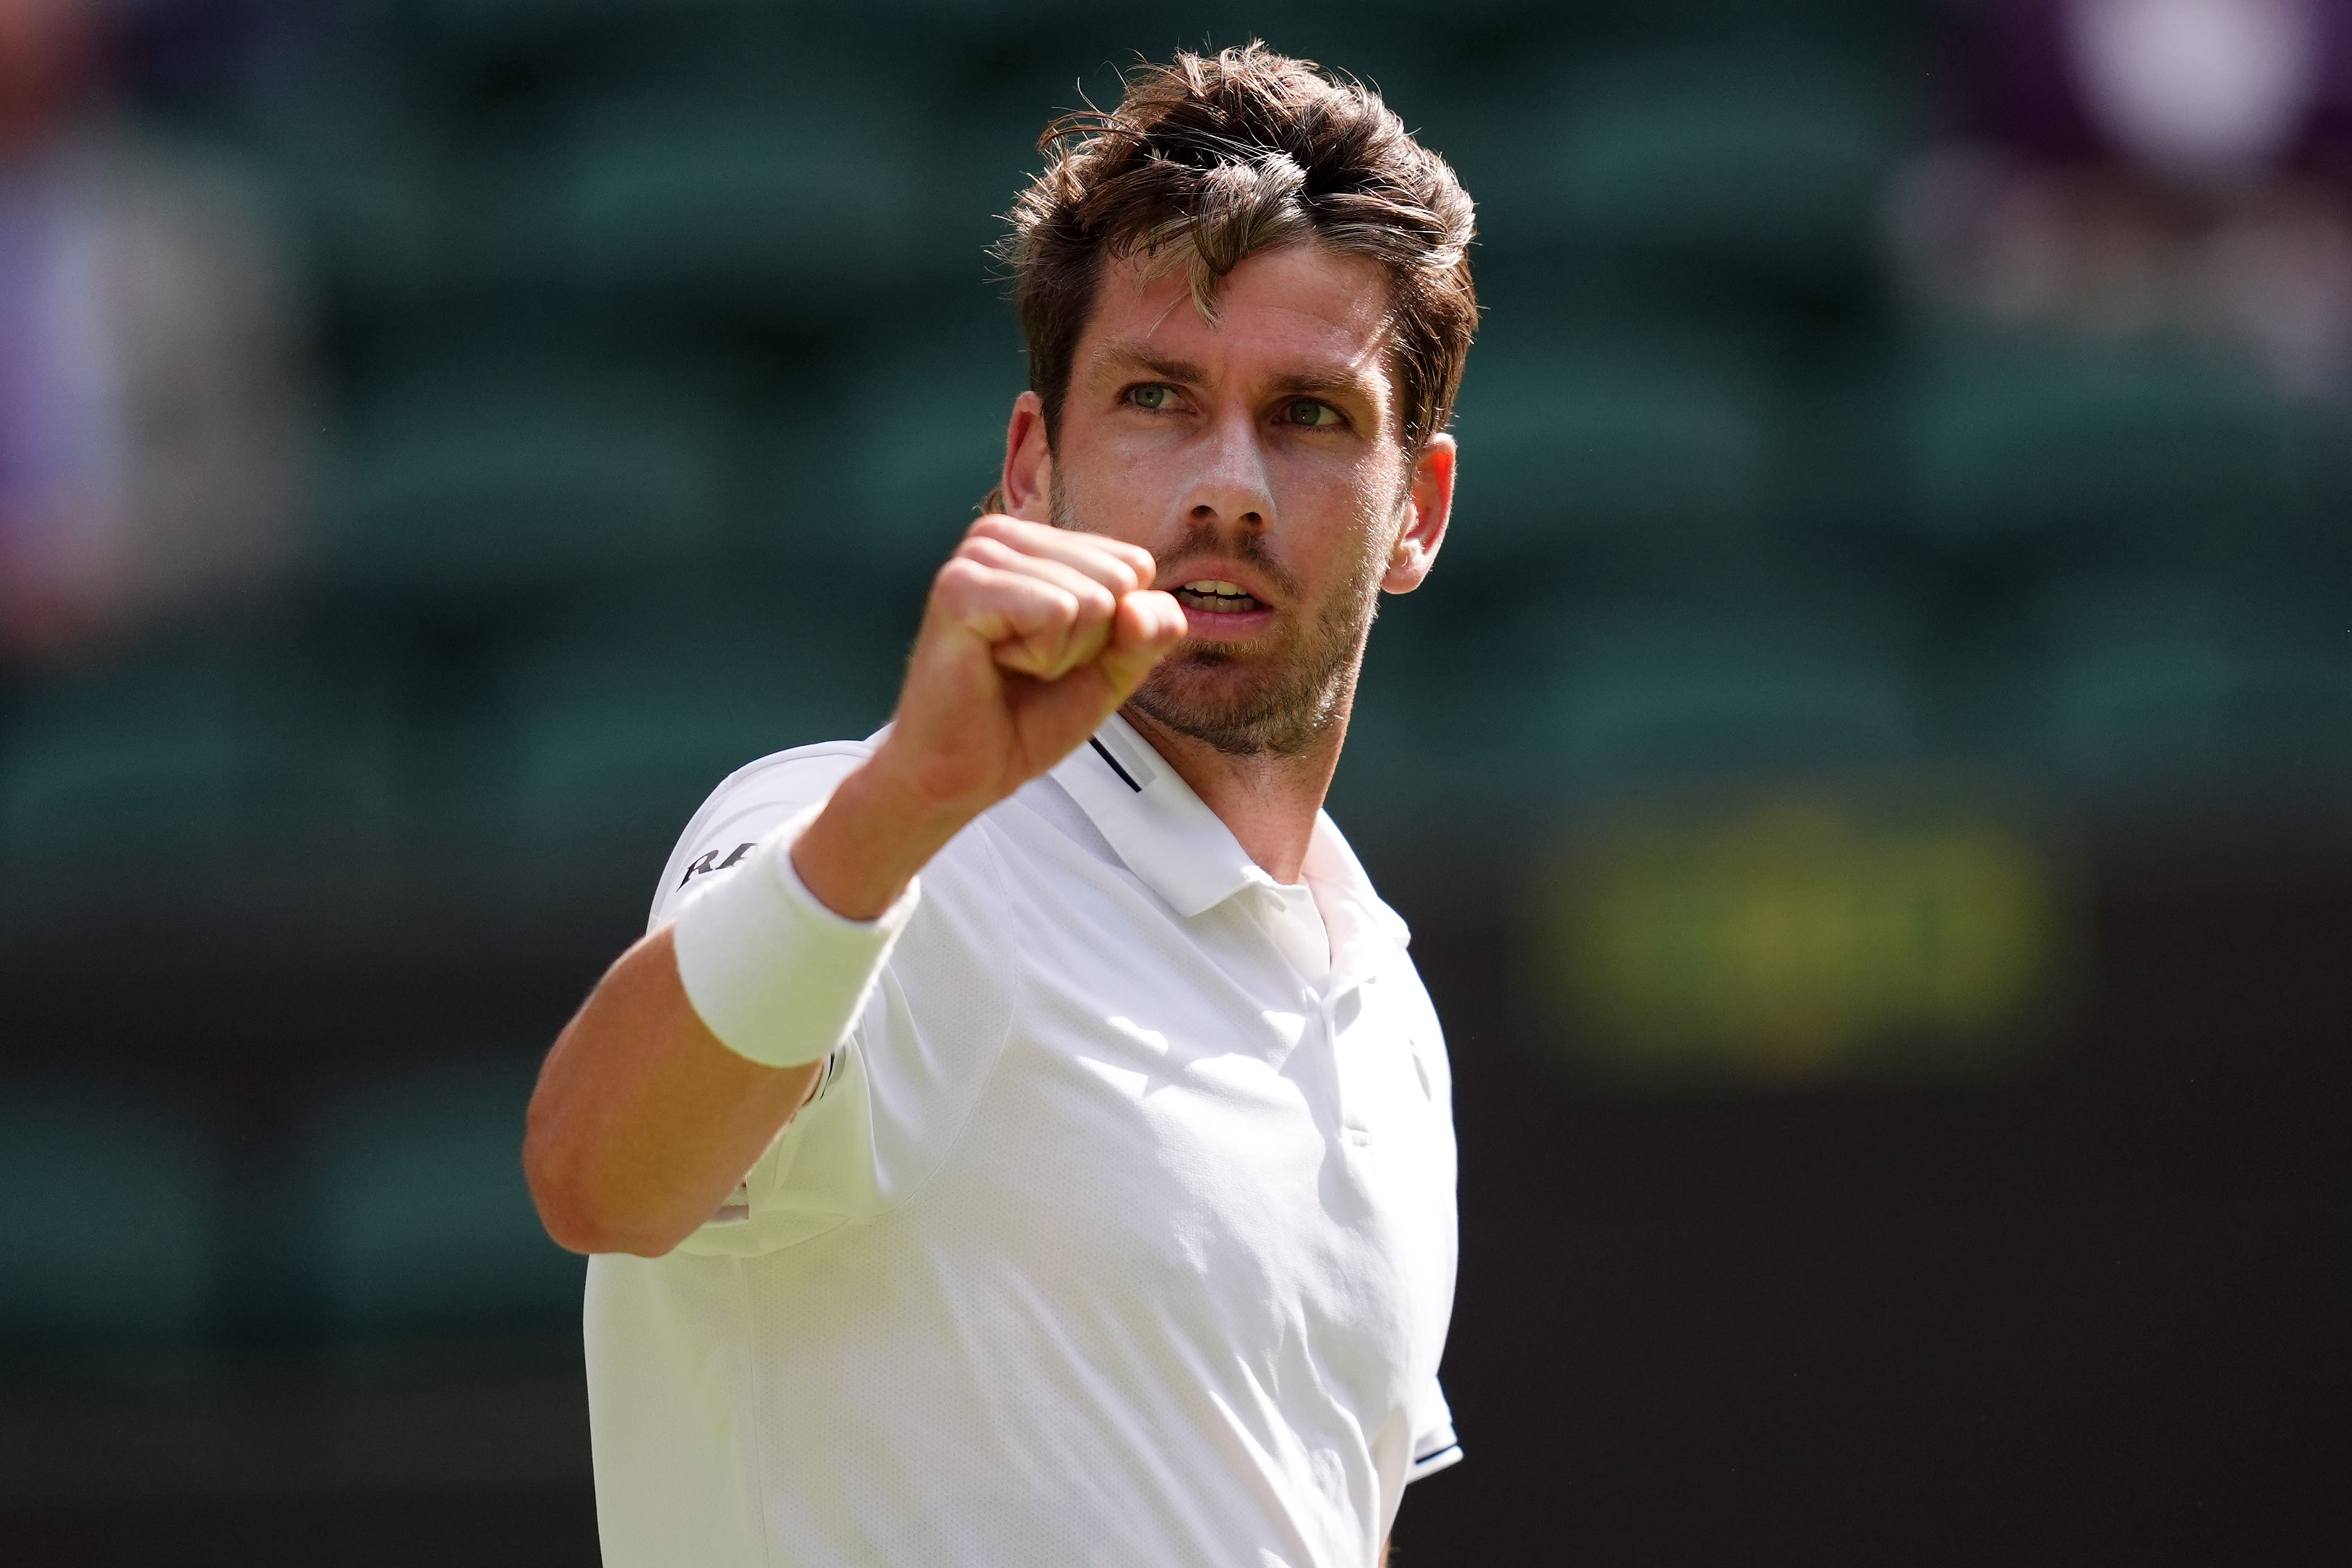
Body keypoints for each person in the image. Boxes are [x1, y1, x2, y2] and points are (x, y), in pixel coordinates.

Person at [525, 43, 1475, 1567]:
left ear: (1415, 510)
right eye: (1158, 398)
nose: (1228, 483)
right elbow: (598, 1174)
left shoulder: (1386, 1004)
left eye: (1307, 415)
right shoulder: (850, 830)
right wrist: (906, 803)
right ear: (1031, 469)